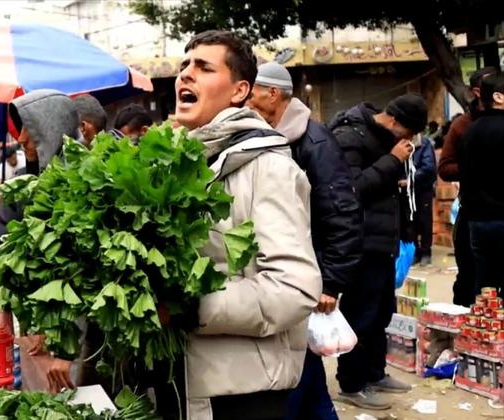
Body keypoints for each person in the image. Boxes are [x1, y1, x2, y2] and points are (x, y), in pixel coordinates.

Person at [143, 30, 321, 420]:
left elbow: (295, 287)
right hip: (179, 382)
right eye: (184, 66)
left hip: (242, 395)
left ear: (240, 91)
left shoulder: (269, 167)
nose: (186, 75)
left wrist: (189, 307)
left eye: (204, 67)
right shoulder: (173, 166)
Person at [248, 61, 362, 420]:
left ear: (273, 93)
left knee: (298, 371)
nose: (246, 101)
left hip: (307, 277)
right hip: (285, 272)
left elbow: (341, 212)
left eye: (252, 92)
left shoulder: (313, 141)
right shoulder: (268, 137)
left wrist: (330, 281)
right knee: (303, 370)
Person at [0, 89, 93, 393]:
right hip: (45, 329)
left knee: (77, 402)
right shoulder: (25, 182)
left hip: (80, 335)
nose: (20, 139)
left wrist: (66, 344)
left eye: (28, 128)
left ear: (51, 128)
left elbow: (83, 274)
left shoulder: (85, 184)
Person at [328, 94, 428, 409]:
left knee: (381, 312)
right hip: (360, 242)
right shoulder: (350, 135)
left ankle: (374, 372)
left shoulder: (384, 136)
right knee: (360, 315)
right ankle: (352, 383)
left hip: (383, 241)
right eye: (408, 134)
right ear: (395, 122)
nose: (409, 142)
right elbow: (351, 188)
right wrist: (392, 161)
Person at [438, 66, 499, 306]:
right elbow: (445, 168)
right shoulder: (463, 126)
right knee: (472, 277)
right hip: (474, 213)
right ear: (478, 92)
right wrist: (477, 167)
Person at [460, 73, 504, 296]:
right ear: (498, 97)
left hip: (479, 221)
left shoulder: (470, 131)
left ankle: (484, 329)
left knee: (485, 284)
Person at [410, 133, 437, 266]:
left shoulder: (424, 144)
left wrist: (411, 178)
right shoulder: (401, 143)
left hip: (422, 188)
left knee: (424, 220)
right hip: (407, 190)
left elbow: (429, 168)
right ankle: (416, 252)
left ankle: (426, 252)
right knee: (410, 221)